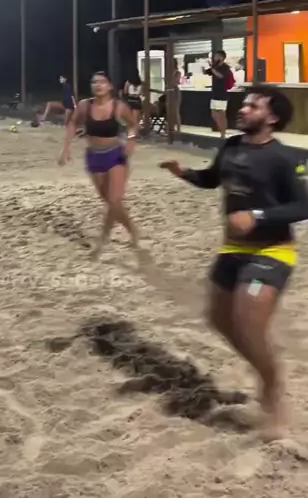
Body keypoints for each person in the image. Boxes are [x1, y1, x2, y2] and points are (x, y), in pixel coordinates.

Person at [160, 84, 308, 439]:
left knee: (249, 318)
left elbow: (303, 205)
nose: (242, 109)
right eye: (243, 104)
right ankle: (265, 370)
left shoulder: (287, 158)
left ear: (272, 117)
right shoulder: (231, 146)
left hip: (271, 252)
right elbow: (213, 179)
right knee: (219, 319)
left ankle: (272, 388)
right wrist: (184, 173)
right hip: (232, 250)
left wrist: (257, 216)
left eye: (252, 106)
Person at [59, 70, 140, 260]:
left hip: (116, 155)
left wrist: (131, 141)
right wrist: (66, 148)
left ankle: (102, 242)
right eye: (94, 82)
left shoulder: (119, 107)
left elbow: (133, 124)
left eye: (102, 82)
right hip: (94, 157)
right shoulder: (85, 106)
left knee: (114, 201)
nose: (98, 85)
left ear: (109, 86)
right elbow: (72, 123)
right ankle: (133, 230)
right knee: (111, 202)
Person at [204, 50, 233, 138]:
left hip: (222, 94)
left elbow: (221, 76)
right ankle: (221, 129)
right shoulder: (215, 66)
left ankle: (223, 134)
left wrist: (213, 69)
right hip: (214, 93)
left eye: (217, 56)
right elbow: (207, 72)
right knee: (214, 114)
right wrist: (208, 67)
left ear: (222, 57)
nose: (215, 58)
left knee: (221, 114)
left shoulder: (225, 67)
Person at [172, 63, 182, 133]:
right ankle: (174, 127)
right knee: (174, 112)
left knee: (176, 111)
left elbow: (177, 81)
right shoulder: (175, 73)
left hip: (175, 91)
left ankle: (178, 128)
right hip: (175, 91)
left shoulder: (176, 73)